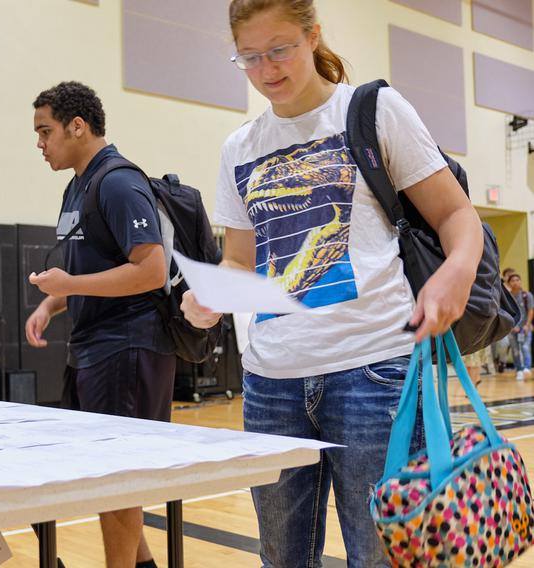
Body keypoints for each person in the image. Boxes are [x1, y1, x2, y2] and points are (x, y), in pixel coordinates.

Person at [179, 1, 482, 565]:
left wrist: (455, 273)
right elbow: (241, 262)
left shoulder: (372, 111)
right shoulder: (238, 147)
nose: (267, 68)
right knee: (282, 558)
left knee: (381, 554)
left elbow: (457, 216)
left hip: (373, 369)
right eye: (249, 56)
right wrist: (208, 297)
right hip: (272, 381)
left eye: (280, 49)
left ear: (313, 36)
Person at [25, 81, 174, 568]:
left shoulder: (116, 181)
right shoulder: (78, 184)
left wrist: (70, 283)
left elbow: (149, 270)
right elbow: (95, 273)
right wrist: (54, 302)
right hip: (93, 348)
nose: (40, 144)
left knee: (118, 479)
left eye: (46, 132)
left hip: (126, 347)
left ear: (78, 126)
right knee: (104, 477)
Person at [506, 272, 533, 381]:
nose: (516, 282)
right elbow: (505, 312)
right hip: (512, 329)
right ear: (509, 283)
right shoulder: (507, 297)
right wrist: (511, 326)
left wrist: (527, 325)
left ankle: (527, 367)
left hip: (526, 328)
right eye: (513, 280)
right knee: (515, 350)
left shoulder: (526, 295)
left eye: (518, 280)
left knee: (525, 347)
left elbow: (531, 311)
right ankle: (519, 370)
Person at [491, 267, 517, 373]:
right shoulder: (500, 287)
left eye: (513, 274)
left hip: (514, 322)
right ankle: (498, 361)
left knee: (512, 345)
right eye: (509, 275)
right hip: (501, 320)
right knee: (502, 343)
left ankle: (503, 362)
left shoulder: (517, 291)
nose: (511, 276)